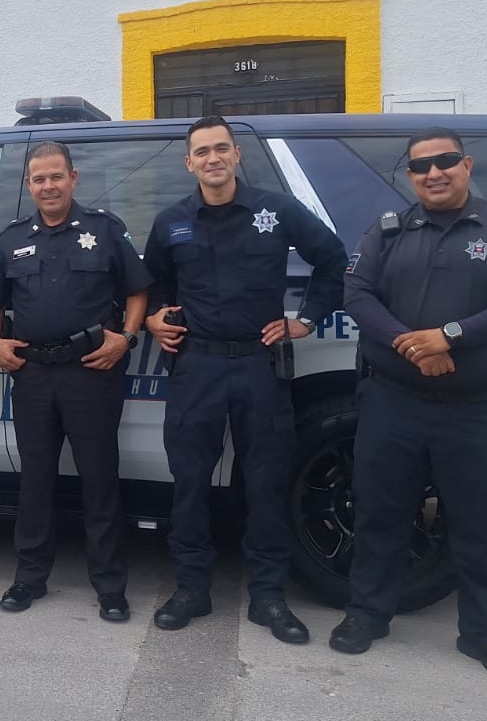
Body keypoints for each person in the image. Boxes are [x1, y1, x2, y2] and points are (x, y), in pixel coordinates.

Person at [332, 128, 487, 684]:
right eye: (421, 166)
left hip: (479, 410)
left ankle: (485, 634)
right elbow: (357, 293)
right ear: (410, 176)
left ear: (467, 165)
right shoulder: (387, 231)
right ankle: (367, 613)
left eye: (446, 161)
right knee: (379, 513)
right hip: (394, 403)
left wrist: (449, 337)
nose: (434, 173)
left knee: (481, 523)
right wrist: (411, 344)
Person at [143, 116, 346, 643]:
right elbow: (155, 283)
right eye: (201, 152)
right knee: (190, 483)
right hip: (197, 366)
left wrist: (306, 319)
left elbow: (333, 261)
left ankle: (268, 596)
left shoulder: (276, 212)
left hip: (260, 364)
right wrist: (155, 318)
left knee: (266, 482)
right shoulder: (171, 222)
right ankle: (191, 588)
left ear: (236, 155)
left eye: (221, 149)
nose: (212, 158)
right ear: (189, 163)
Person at [0, 142, 151, 622]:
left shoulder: (104, 229)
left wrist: (126, 338)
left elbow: (139, 289)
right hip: (32, 372)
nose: (48, 186)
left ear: (73, 179)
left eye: (56, 176)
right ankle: (30, 576)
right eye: (39, 179)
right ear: (29, 184)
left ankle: (110, 585)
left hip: (91, 371)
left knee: (99, 478)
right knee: (35, 479)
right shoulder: (12, 239)